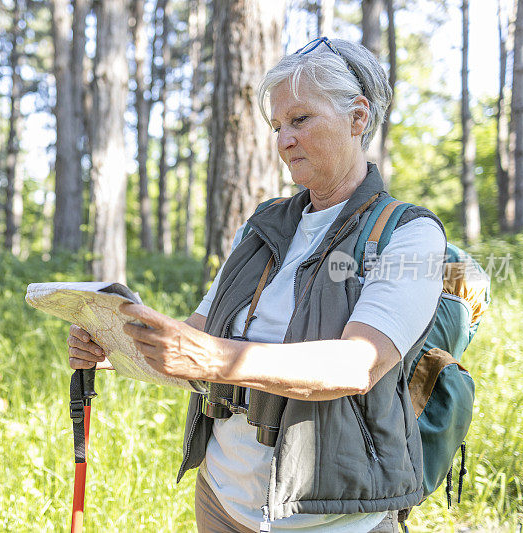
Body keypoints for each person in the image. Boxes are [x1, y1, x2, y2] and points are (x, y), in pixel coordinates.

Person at [67, 37, 445, 532]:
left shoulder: (409, 234)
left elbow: (357, 364)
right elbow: (196, 336)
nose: (283, 139)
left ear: (357, 117)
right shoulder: (263, 225)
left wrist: (211, 358)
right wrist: (115, 344)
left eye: (300, 120)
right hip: (222, 500)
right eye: (277, 125)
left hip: (331, 521)